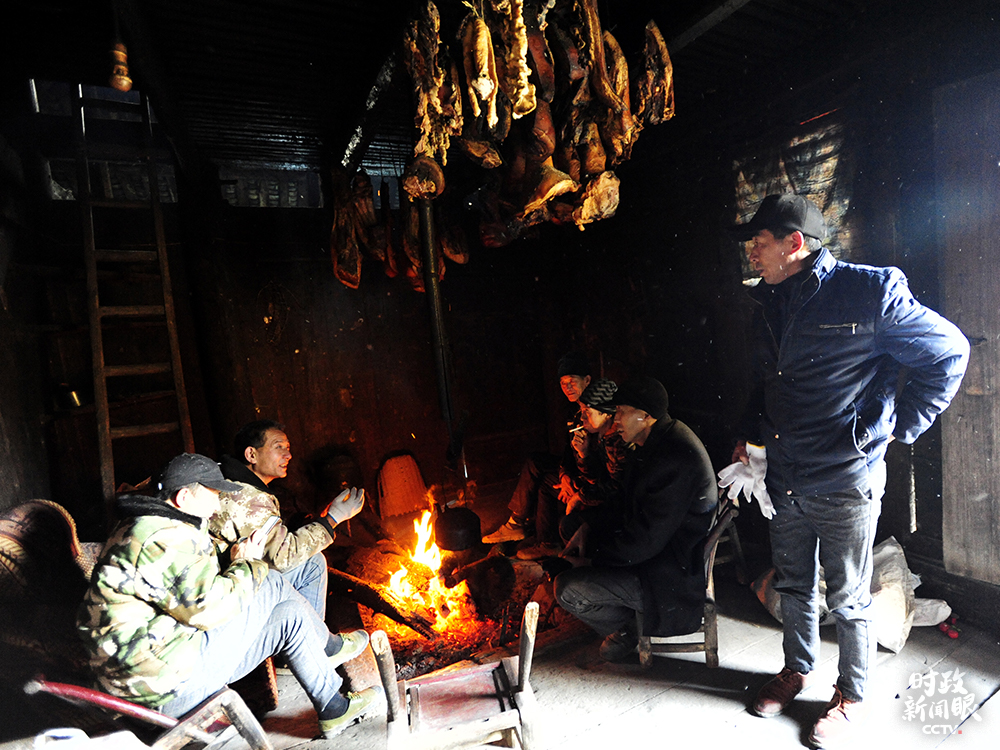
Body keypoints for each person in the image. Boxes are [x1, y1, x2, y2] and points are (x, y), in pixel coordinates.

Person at [728, 193, 969, 747]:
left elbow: (950, 352)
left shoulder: (869, 291)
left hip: (844, 477)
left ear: (794, 244)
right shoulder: (771, 300)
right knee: (793, 583)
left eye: (760, 245)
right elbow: (769, 378)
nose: (753, 256)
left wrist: (898, 428)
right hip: (785, 474)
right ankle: (798, 670)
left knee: (849, 596)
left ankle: (851, 697)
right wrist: (747, 430)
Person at [77, 453, 381, 738]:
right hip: (160, 691)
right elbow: (210, 610)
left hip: (165, 668)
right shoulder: (161, 537)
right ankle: (326, 646)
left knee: (290, 615)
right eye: (212, 494)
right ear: (184, 497)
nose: (219, 500)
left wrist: (235, 556)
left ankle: (333, 708)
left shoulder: (155, 523)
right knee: (271, 581)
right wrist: (246, 562)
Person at [554, 376, 718, 662]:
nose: (615, 419)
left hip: (667, 572)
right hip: (654, 550)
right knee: (571, 525)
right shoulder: (656, 439)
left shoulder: (673, 458)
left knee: (567, 589)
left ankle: (629, 628)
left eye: (621, 411)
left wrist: (593, 561)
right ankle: (628, 617)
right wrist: (587, 526)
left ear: (644, 416)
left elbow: (644, 542)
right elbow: (624, 499)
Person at [211, 420, 362, 627]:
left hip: (224, 584)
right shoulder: (248, 497)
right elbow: (282, 557)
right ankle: (314, 645)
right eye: (278, 447)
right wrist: (332, 519)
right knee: (313, 564)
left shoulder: (233, 483)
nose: (288, 455)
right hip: (227, 598)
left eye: (288, 448)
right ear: (251, 455)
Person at [483, 351, 592, 545]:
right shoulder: (574, 410)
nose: (567, 387)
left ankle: (518, 524)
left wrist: (573, 481)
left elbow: (592, 459)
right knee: (538, 466)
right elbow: (570, 450)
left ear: (587, 380)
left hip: (589, 474)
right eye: (562, 383)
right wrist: (564, 475)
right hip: (576, 470)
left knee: (538, 470)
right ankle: (545, 542)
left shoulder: (595, 410)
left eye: (572, 381)